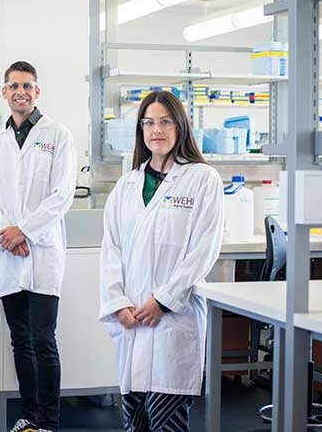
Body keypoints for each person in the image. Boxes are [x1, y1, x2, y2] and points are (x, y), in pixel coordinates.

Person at [99, 91, 224, 432]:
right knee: (135, 419)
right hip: (132, 318)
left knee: (166, 418)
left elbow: (203, 250)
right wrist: (117, 303)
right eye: (149, 122)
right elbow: (111, 249)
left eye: (166, 122)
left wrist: (164, 301)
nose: (157, 130)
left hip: (173, 317)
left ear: (180, 126)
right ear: (141, 130)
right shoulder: (126, 185)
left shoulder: (202, 179)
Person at [0, 61, 77, 432]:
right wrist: (7, 233)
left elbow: (62, 194)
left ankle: (48, 421)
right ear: (5, 92)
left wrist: (25, 232)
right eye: (14, 86)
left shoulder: (58, 135)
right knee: (20, 340)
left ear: (37, 91)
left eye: (27, 86)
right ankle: (30, 416)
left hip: (42, 250)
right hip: (9, 252)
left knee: (43, 339)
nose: (21, 92)